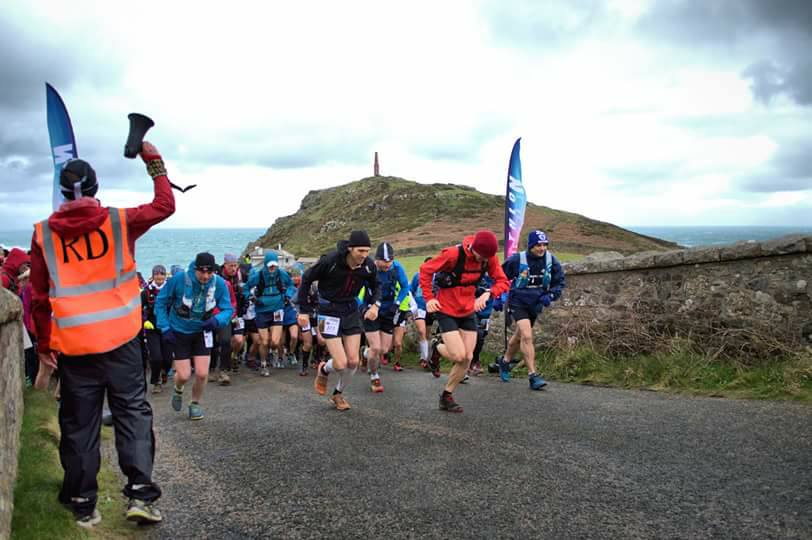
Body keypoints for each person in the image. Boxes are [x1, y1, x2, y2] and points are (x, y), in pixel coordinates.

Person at [29, 145, 173, 527]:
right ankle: (141, 494)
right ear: (97, 187)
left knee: (79, 423)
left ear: (62, 191)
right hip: (122, 339)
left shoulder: (43, 234)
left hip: (75, 346)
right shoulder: (118, 221)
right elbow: (164, 205)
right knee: (132, 415)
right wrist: (153, 161)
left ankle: (82, 500)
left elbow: (39, 299)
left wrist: (45, 347)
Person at [419, 230, 510, 413]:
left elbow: (503, 281)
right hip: (446, 309)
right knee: (458, 356)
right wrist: (429, 298)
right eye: (481, 256)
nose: (483, 261)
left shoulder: (488, 259)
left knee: (467, 358)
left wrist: (488, 293)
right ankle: (436, 346)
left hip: (467, 310)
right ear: (473, 248)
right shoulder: (453, 254)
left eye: (487, 258)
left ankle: (446, 396)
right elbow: (425, 270)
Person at [296, 230, 379, 410]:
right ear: (350, 249)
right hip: (328, 312)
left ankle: (338, 394)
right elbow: (306, 279)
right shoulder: (330, 261)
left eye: (367, 251)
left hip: (350, 311)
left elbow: (376, 285)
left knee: (353, 362)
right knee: (340, 364)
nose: (364, 256)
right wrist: (303, 310)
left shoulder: (368, 265)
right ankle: (324, 368)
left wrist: (375, 306)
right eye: (360, 251)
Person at [155, 252, 233, 420]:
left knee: (202, 373)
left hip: (202, 332)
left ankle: (195, 404)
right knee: (183, 375)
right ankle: (178, 389)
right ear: (195, 269)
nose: (205, 276)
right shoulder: (179, 280)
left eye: (209, 272)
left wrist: (216, 321)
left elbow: (228, 309)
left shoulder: (219, 284)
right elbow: (161, 302)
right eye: (202, 272)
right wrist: (165, 327)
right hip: (179, 331)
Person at [498, 230, 566, 389]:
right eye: (538, 245)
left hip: (536, 303)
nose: (542, 248)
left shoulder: (551, 260)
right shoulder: (517, 260)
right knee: (527, 336)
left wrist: (550, 295)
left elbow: (559, 282)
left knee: (519, 335)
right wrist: (497, 297)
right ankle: (533, 376)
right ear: (530, 246)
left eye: (544, 245)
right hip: (518, 301)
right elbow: (500, 277)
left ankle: (505, 361)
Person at [361, 242, 409, 392]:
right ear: (377, 259)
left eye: (390, 261)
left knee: (384, 349)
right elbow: (355, 289)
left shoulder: (397, 268)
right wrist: (363, 307)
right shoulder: (368, 269)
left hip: (388, 311)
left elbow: (405, 287)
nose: (387, 264)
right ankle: (374, 377)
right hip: (371, 311)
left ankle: (365, 352)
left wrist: (397, 303)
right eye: (384, 261)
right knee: (375, 347)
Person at [244, 252, 293, 376]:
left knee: (275, 342)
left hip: (277, 309)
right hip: (261, 311)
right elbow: (245, 287)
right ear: (266, 264)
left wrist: (288, 296)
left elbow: (291, 285)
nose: (272, 268)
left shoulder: (281, 274)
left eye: (274, 265)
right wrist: (251, 298)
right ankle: (264, 364)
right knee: (264, 341)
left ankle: (274, 353)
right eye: (270, 265)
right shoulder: (258, 275)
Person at [210, 254, 241, 384]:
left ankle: (224, 371)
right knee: (211, 345)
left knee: (225, 341)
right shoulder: (203, 285)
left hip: (224, 317)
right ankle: (211, 369)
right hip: (209, 318)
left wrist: (231, 314)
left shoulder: (226, 284)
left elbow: (233, 301)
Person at [142, 265, 172, 394]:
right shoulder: (146, 291)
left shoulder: (171, 290)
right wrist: (145, 321)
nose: (159, 278)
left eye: (162, 275)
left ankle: (165, 371)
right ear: (153, 276)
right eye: (157, 275)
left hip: (167, 328)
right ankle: (156, 382)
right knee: (156, 357)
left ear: (165, 276)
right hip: (152, 328)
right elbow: (139, 309)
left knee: (168, 358)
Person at [410, 257, 435, 370]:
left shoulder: (437, 278)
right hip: (419, 307)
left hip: (430, 308)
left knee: (427, 334)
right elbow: (410, 290)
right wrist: (413, 304)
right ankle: (424, 359)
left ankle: (425, 357)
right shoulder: (417, 276)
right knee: (421, 331)